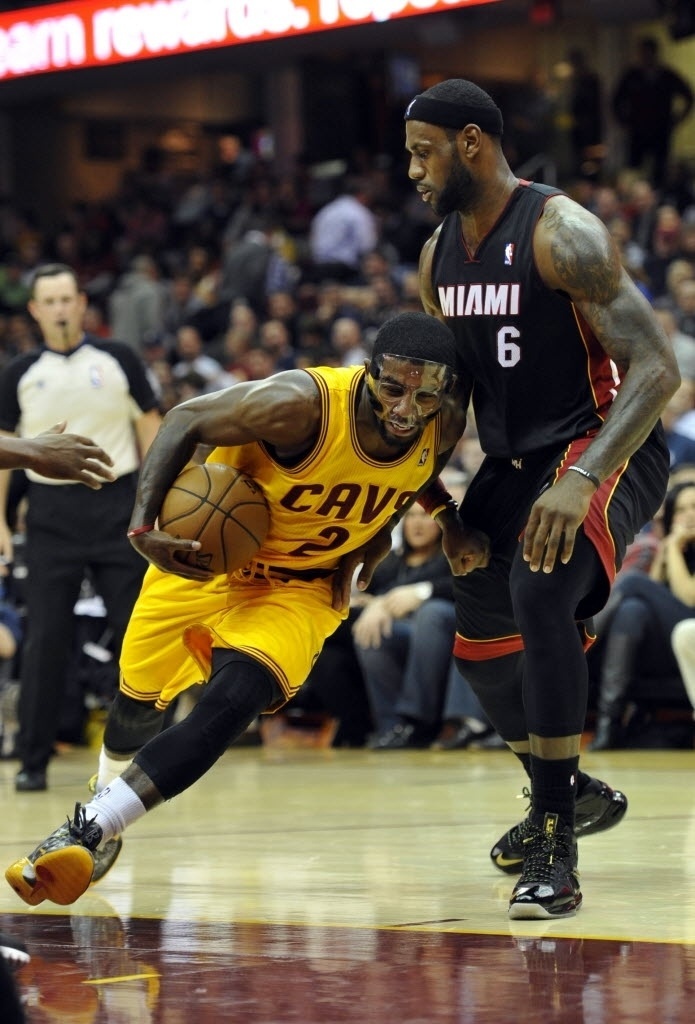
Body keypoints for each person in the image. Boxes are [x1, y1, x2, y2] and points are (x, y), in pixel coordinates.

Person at [4, 311, 468, 909]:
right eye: (394, 388)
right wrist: (144, 524)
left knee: (230, 704)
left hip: (299, 586)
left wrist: (407, 524)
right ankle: (107, 788)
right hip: (208, 558)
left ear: (444, 391)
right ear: (368, 373)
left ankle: (92, 828)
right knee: (137, 705)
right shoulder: (302, 403)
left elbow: (413, 471)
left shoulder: (445, 420)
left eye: (424, 394)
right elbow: (184, 418)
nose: (407, 407)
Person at [402, 79, 679, 919]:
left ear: (473, 144)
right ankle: (567, 789)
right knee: (477, 633)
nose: (411, 170)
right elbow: (450, 402)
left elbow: (658, 367)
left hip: (605, 446)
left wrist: (586, 476)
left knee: (538, 585)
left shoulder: (562, 233)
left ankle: (553, 841)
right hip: (516, 460)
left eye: (423, 151)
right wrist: (442, 509)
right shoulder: (435, 256)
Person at [0, 263, 162, 793]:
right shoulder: (19, 371)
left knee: (136, 634)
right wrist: (1, 522)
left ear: (81, 303)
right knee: (46, 639)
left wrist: (155, 504)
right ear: (35, 309)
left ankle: (145, 759)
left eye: (68, 298)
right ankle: (33, 759)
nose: (61, 308)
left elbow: (152, 428)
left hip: (117, 504)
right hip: (50, 514)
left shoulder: (117, 359)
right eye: (50, 301)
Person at [589, 480, 695, 750]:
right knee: (632, 611)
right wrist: (670, 551)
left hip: (689, 639)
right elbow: (657, 593)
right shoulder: (679, 549)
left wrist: (670, 548)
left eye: (694, 507)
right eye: (681, 509)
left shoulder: (675, 549)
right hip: (668, 645)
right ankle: (608, 723)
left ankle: (578, 640)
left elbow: (689, 601)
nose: (688, 515)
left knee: (634, 582)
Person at [612, 36, 693, 190]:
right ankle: (634, 197)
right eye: (643, 53)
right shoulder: (632, 75)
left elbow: (688, 96)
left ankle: (657, 195)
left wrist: (676, 119)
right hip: (638, 130)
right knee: (634, 167)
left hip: (660, 129)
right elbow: (616, 100)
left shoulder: (667, 75)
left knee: (659, 169)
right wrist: (624, 122)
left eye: (649, 53)